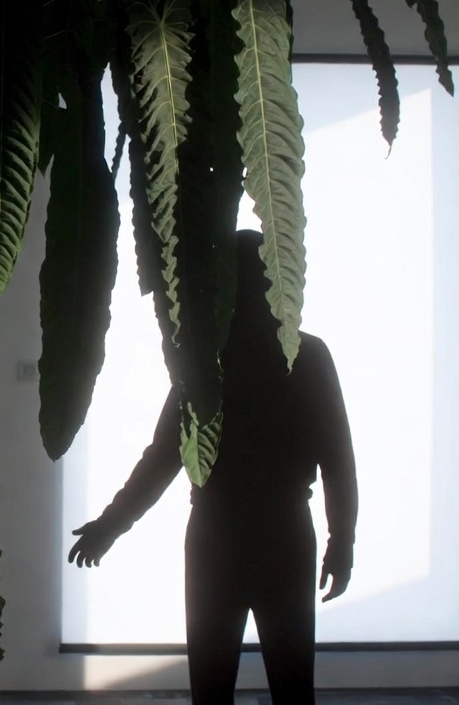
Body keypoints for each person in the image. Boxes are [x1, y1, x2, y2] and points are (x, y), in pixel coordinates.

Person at [68, 229, 358, 705]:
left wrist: (110, 525)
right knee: (288, 688)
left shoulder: (209, 360)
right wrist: (341, 541)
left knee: (213, 688)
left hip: (217, 537)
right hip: (281, 536)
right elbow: (338, 461)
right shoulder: (305, 355)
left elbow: (163, 458)